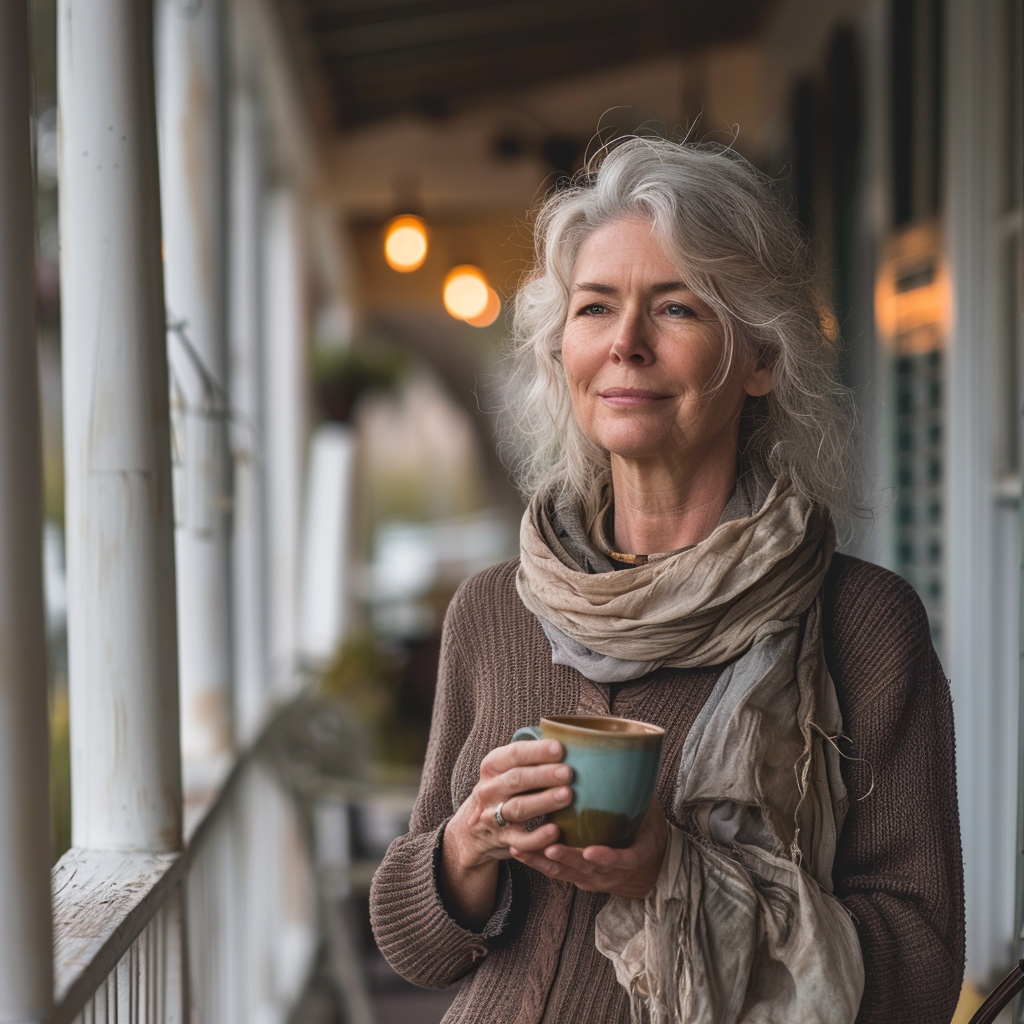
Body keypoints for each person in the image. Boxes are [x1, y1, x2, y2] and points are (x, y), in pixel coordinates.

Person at [369, 138, 964, 1023]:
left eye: (676, 308)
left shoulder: (863, 626)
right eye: (596, 307)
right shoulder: (495, 610)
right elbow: (417, 948)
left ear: (760, 359)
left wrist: (674, 878)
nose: (627, 345)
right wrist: (466, 845)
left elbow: (918, 976)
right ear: (560, 351)